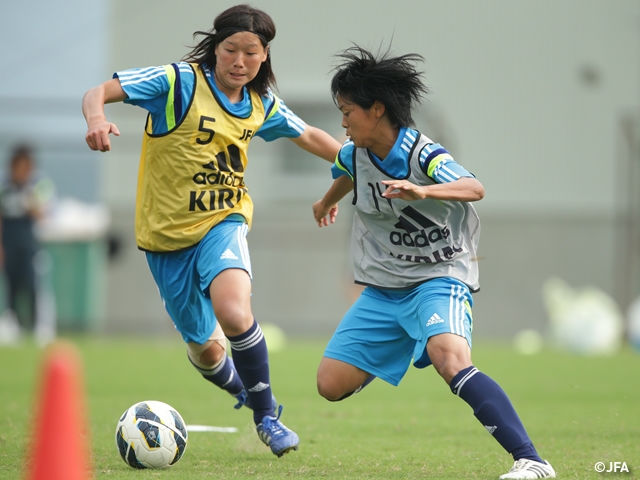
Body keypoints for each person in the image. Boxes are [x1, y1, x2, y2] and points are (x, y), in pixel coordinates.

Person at [82, 4, 341, 457]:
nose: (240, 62)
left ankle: (266, 418)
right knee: (206, 352)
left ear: (264, 57)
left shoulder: (262, 104)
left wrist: (361, 164)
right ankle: (248, 391)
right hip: (165, 239)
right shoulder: (176, 82)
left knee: (235, 313)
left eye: (251, 53)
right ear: (215, 49)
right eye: (231, 50)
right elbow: (98, 91)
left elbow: (312, 136)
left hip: (224, 221)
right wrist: (96, 119)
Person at [312, 46, 556, 480]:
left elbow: (474, 187)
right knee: (329, 385)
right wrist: (325, 202)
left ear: (377, 109)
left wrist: (423, 191)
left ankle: (532, 461)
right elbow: (346, 174)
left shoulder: (423, 154)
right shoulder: (352, 152)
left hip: (438, 277)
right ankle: (411, 336)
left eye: (348, 112)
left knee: (450, 359)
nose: (343, 122)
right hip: (385, 287)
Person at [0, 144, 43, 335]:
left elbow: (41, 213)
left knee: (31, 285)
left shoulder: (33, 189)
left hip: (27, 246)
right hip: (9, 245)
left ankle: (34, 326)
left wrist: (31, 203)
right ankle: (12, 324)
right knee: (11, 286)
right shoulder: (5, 190)